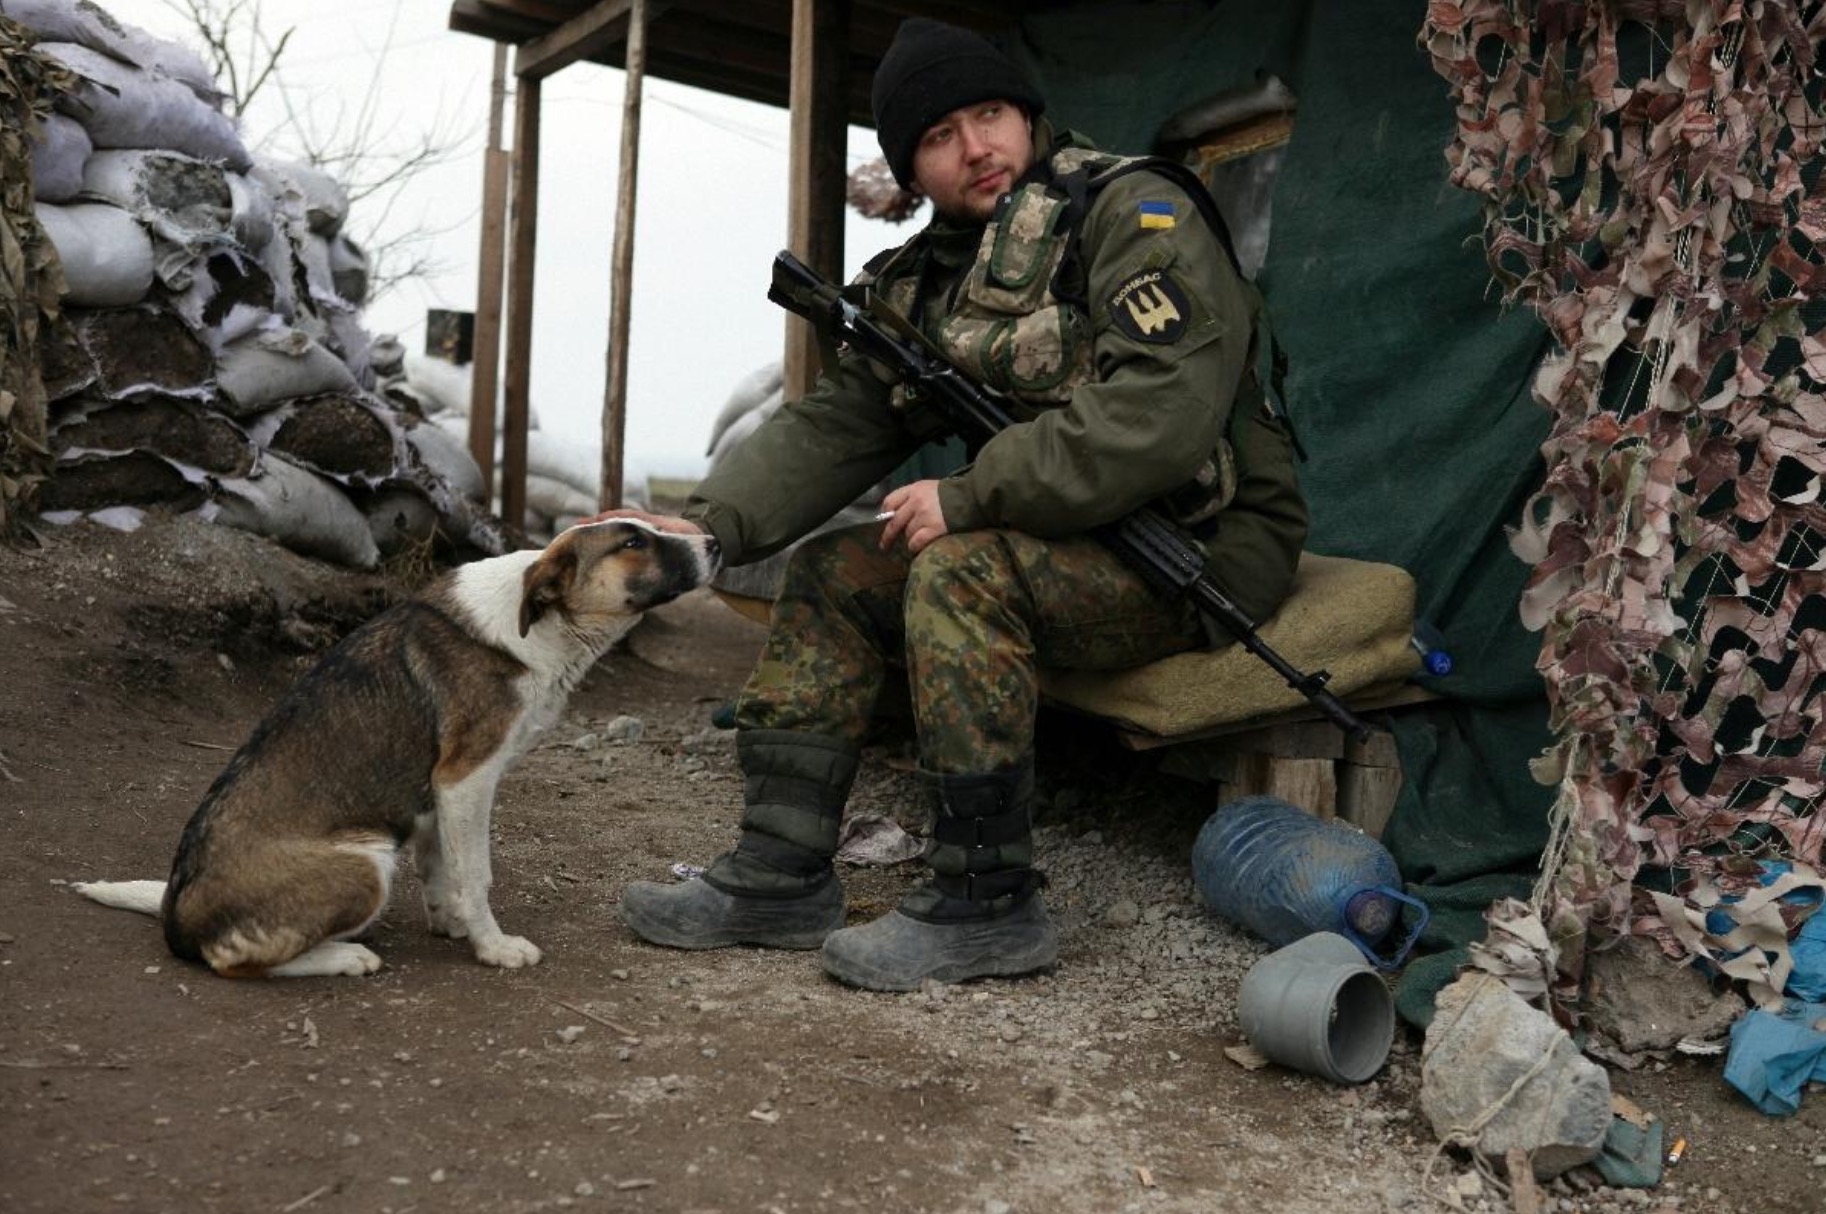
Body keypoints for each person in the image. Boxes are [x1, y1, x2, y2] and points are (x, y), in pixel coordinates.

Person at [607, 17, 1307, 992]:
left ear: (1026, 116)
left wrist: (973, 494)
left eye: (989, 115)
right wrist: (711, 523)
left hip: (1197, 548)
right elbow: (839, 423)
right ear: (910, 170)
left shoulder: (1132, 211)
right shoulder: (933, 280)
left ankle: (986, 903)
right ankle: (776, 875)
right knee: (835, 572)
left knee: (956, 569)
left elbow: (1162, 413)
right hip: (1067, 534)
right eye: (939, 136)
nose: (975, 147)